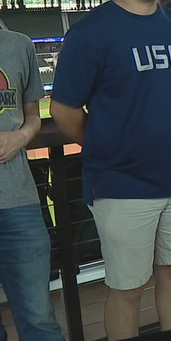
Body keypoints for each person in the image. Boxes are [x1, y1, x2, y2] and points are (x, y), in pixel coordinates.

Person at [49, 0, 171, 340]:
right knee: (127, 288)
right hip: (121, 185)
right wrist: (104, 144)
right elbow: (63, 109)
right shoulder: (91, 32)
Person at [0, 30, 66, 341]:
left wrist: (21, 137)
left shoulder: (18, 45)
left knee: (40, 322)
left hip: (18, 202)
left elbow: (32, 117)